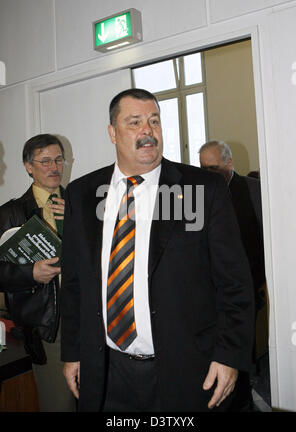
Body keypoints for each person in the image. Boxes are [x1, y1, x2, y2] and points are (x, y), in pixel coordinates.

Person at [61, 89, 254, 412]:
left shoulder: (201, 189)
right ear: (112, 132)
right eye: (134, 122)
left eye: (153, 121)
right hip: (107, 372)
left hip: (186, 371)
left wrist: (229, 355)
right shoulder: (82, 194)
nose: (147, 131)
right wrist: (72, 352)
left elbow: (235, 283)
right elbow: (74, 284)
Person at [0, 134, 76, 412]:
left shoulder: (82, 204)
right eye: (45, 161)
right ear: (28, 167)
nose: (54, 167)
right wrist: (30, 272)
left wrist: (79, 222)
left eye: (58, 159)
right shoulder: (10, 213)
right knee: (59, 404)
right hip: (48, 326)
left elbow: (105, 256)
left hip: (90, 320)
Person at [199, 140, 266, 411]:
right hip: (209, 291)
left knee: (241, 347)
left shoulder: (254, 191)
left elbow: (265, 242)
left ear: (229, 163)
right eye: (202, 167)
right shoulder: (194, 194)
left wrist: (257, 283)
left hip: (247, 286)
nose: (207, 173)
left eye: (213, 167)